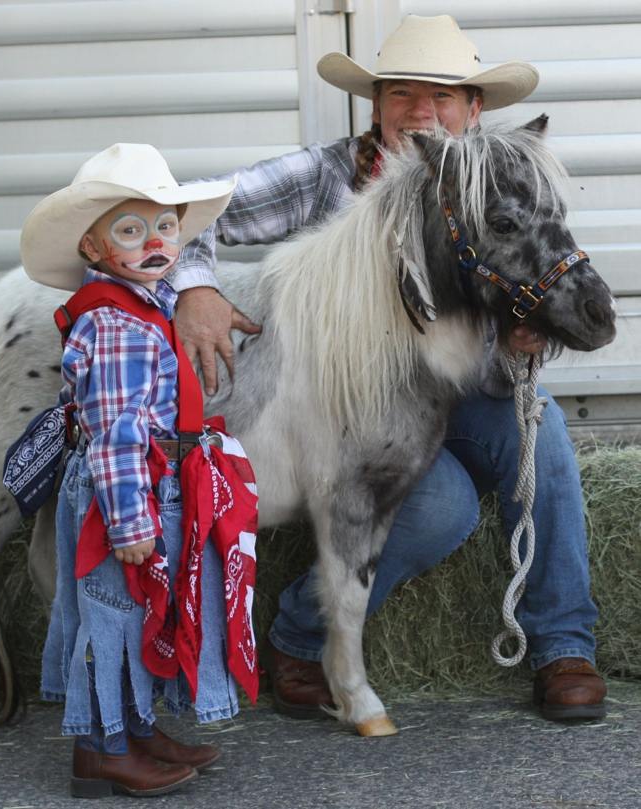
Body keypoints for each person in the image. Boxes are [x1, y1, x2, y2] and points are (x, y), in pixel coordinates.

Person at [169, 15, 607, 722]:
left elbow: (542, 275)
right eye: (401, 93)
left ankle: (564, 644)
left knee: (545, 433)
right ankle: (300, 636)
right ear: (375, 106)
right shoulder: (325, 175)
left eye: (443, 96)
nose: (420, 112)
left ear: (474, 111)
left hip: (475, 390)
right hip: (368, 415)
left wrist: (529, 335)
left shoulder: (501, 185)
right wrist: (194, 287)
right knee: (442, 507)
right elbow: (186, 210)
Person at [19, 143, 252, 798]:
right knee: (112, 612)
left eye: (166, 227)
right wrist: (129, 521)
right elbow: (119, 430)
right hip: (124, 492)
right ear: (93, 248)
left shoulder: (145, 305)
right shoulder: (117, 324)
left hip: (154, 482)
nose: (154, 242)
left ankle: (136, 725)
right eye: (130, 230)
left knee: (142, 606)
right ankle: (100, 750)